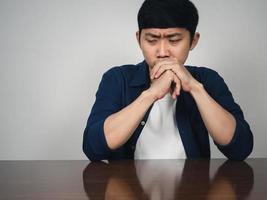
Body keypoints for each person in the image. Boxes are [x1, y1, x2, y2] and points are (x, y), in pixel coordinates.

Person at [83, 0, 253, 161]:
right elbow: (93, 149)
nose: (163, 52)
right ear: (139, 39)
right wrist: (151, 94)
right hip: (129, 190)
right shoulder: (117, 78)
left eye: (174, 40)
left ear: (193, 40)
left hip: (193, 190)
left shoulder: (207, 79)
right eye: (152, 40)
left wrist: (195, 88)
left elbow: (241, 148)